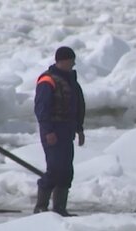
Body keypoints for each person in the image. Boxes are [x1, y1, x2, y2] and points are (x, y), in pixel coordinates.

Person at [33, 46, 86, 216]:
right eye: (70, 61)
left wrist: (79, 129)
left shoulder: (71, 80)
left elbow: (78, 106)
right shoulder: (47, 80)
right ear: (61, 61)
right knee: (55, 169)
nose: (73, 64)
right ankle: (41, 206)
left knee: (66, 171)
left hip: (67, 131)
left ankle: (60, 208)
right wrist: (48, 131)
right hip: (53, 130)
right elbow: (41, 108)